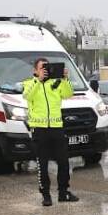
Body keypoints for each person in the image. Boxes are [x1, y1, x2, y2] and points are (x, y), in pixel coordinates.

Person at [22, 59, 78, 207]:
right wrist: (38, 81)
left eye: (48, 67)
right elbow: (27, 96)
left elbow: (68, 94)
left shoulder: (56, 83)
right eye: (42, 67)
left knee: (63, 161)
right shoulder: (29, 83)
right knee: (43, 164)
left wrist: (65, 79)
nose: (46, 70)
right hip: (39, 130)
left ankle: (63, 192)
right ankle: (46, 194)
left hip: (56, 127)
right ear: (35, 70)